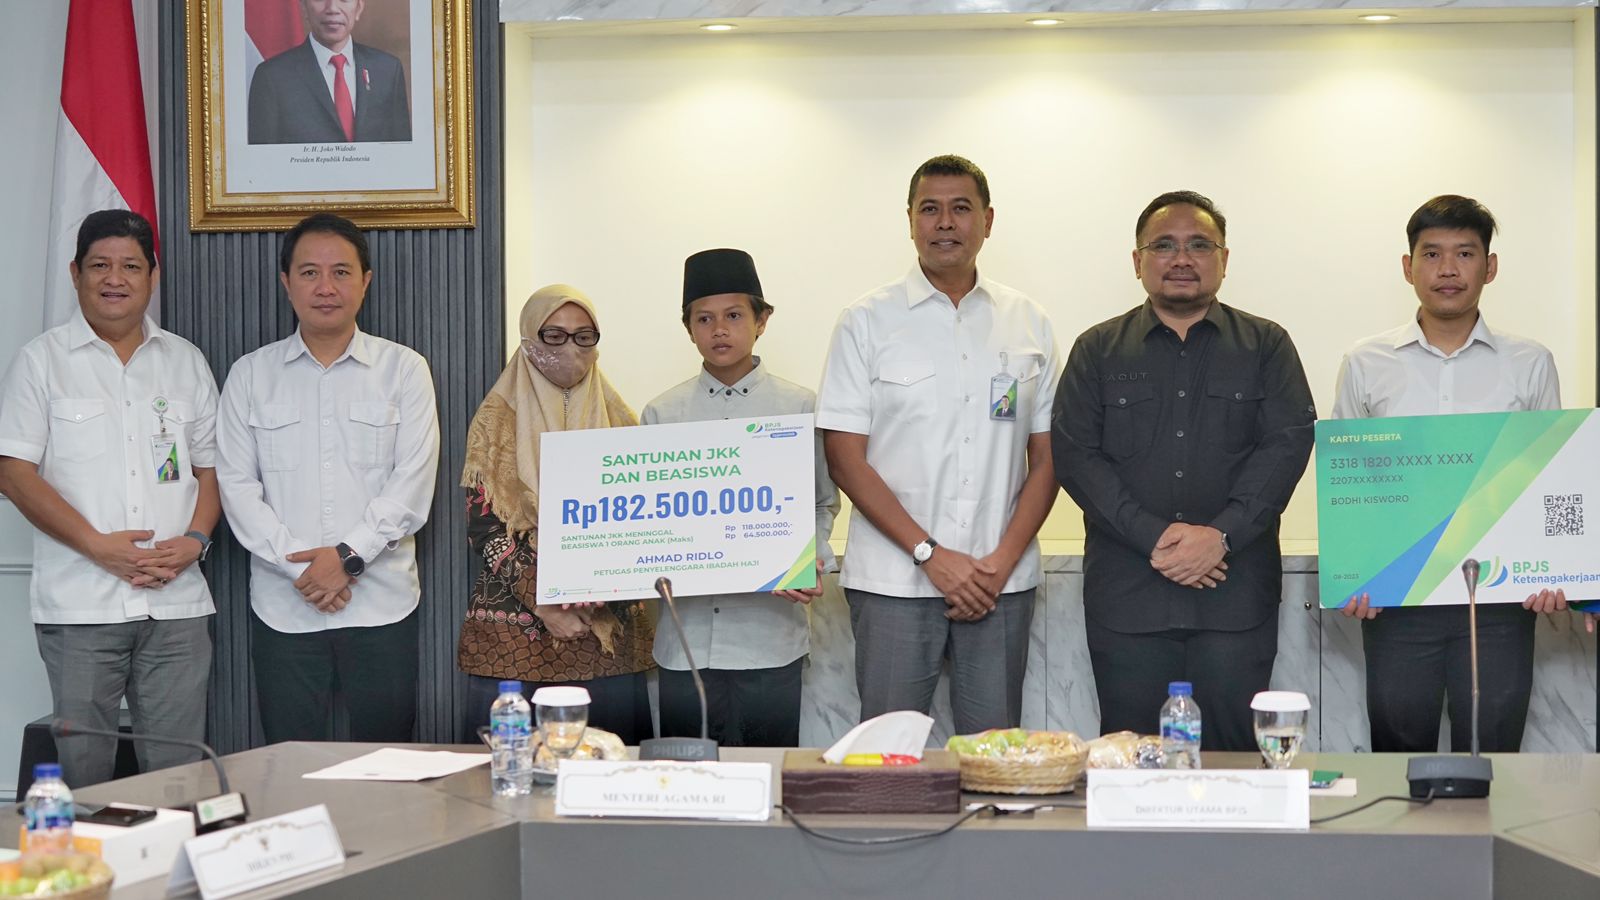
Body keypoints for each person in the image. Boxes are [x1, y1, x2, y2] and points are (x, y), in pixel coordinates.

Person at [1053, 190, 1315, 751]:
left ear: (1224, 258)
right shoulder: (1096, 350)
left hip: (1234, 597)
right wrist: (1156, 538)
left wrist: (1220, 536)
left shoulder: (1267, 346)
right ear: (1137, 260)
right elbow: (1076, 456)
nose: (1181, 259)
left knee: (1235, 762)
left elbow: (1286, 448)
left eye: (1199, 245)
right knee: (1131, 761)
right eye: (1163, 246)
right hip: (1129, 600)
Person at [817, 154, 1061, 733]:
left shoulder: (1028, 322)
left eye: (961, 208)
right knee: (886, 755)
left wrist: (999, 562)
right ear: (910, 220)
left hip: (1000, 582)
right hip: (893, 583)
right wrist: (931, 555)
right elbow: (845, 459)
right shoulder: (865, 321)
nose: (945, 222)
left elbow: (1049, 458)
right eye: (930, 209)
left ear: (988, 220)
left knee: (994, 756)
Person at [1334, 194, 1566, 753]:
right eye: (1431, 253)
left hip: (1499, 599)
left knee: (1494, 753)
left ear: (1490, 267)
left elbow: (1550, 479)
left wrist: (1559, 571)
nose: (1447, 269)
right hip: (1398, 598)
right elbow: (1347, 478)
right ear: (1407, 266)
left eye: (1464, 253)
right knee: (1397, 753)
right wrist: (1353, 573)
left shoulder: (1530, 362)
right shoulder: (1365, 361)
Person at [0, 210, 218, 786]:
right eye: (100, 265)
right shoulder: (41, 361)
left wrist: (196, 540)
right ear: (75, 274)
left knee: (178, 777)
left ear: (153, 276)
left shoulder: (186, 361)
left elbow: (211, 469)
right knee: (86, 778)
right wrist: (99, 547)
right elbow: (13, 473)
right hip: (81, 606)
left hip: (175, 605)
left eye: (131, 266)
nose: (115, 278)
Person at [216, 212, 439, 743]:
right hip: (285, 606)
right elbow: (236, 486)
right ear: (286, 281)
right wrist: (303, 570)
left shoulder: (404, 369)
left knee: (387, 763)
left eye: (341, 272)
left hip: (381, 603)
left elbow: (412, 481)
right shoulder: (250, 374)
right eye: (309, 272)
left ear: (366, 281)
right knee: (289, 763)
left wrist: (346, 558)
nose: (325, 287)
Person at [640, 248, 839, 747]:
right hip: (685, 643)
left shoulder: (799, 407)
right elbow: (649, 520)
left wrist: (808, 559)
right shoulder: (662, 414)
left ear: (761, 321)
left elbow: (821, 502)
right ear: (689, 329)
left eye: (733, 315)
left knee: (766, 775)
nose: (719, 330)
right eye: (704, 319)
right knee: (685, 775)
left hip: (769, 638)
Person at [457, 285, 655, 743]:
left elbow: (643, 522)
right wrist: (545, 602)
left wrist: (598, 586)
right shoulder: (495, 419)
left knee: (608, 768)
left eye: (584, 336)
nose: (570, 348)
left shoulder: (620, 420)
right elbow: (484, 527)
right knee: (514, 770)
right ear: (529, 337)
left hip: (604, 630)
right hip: (516, 635)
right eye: (554, 335)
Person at [248, 0, 411, 145]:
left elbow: (402, 155)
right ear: (304, 7)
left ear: (359, 8)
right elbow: (264, 162)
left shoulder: (388, 70)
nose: (332, 8)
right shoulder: (271, 77)